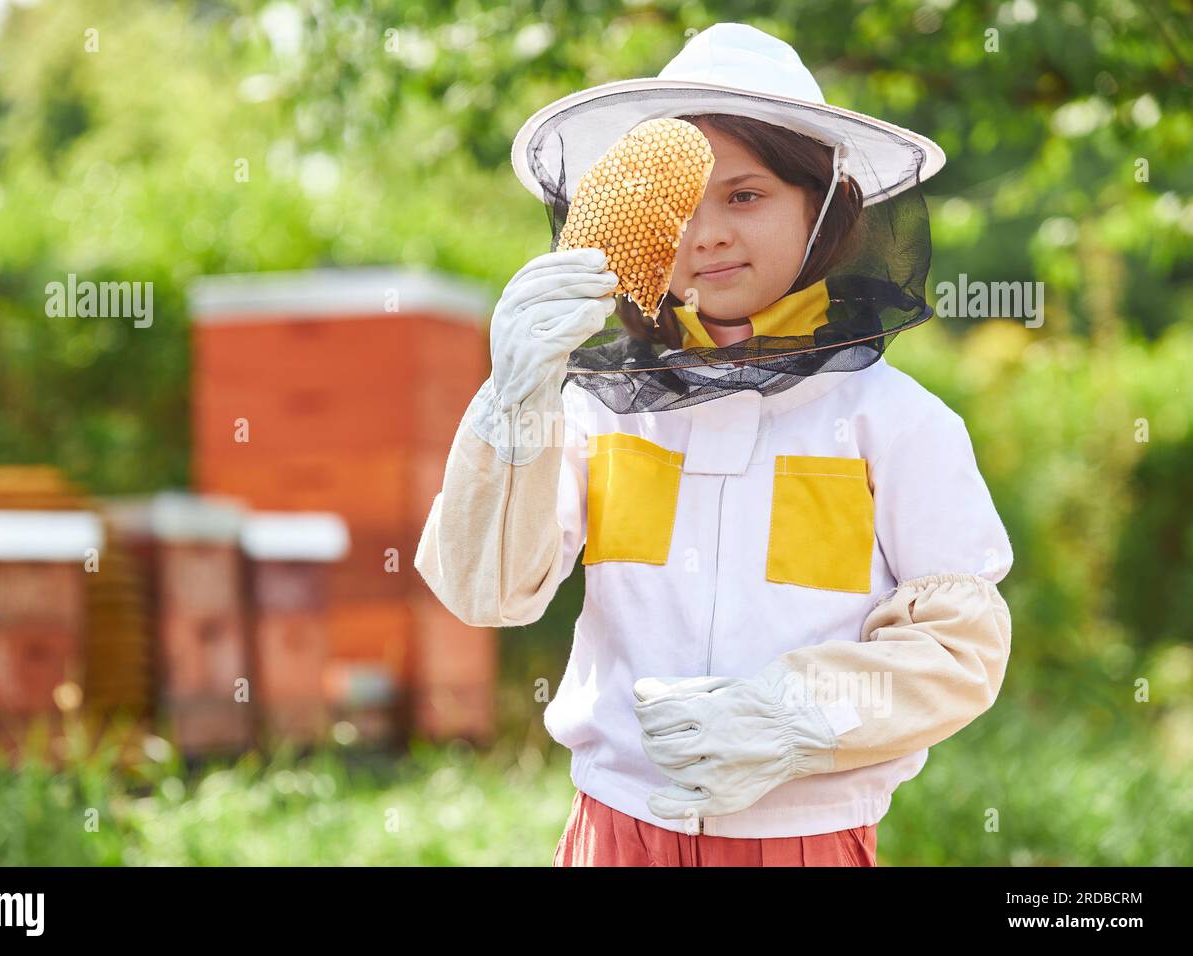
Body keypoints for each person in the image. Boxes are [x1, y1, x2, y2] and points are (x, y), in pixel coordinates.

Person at [415, 23, 1013, 867]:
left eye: (745, 195)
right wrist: (514, 400)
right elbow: (488, 590)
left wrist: (793, 713)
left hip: (802, 841)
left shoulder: (897, 422)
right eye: (681, 204)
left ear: (823, 210)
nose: (708, 233)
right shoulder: (598, 411)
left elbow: (962, 650)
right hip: (612, 833)